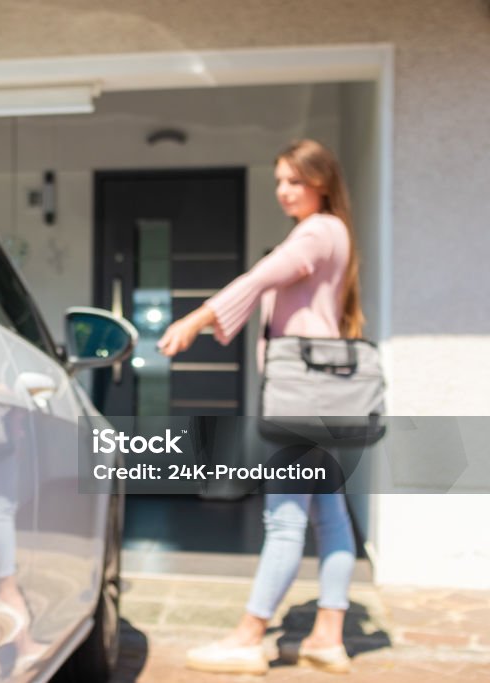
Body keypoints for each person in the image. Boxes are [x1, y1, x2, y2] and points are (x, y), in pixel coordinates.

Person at [157, 139, 363, 675]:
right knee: (331, 516)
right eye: (279, 181)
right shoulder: (336, 233)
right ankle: (328, 637)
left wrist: (197, 319)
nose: (284, 191)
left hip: (301, 400)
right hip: (323, 401)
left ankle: (249, 637)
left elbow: (263, 276)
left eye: (294, 180)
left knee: (285, 518)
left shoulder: (318, 231)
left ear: (322, 181)